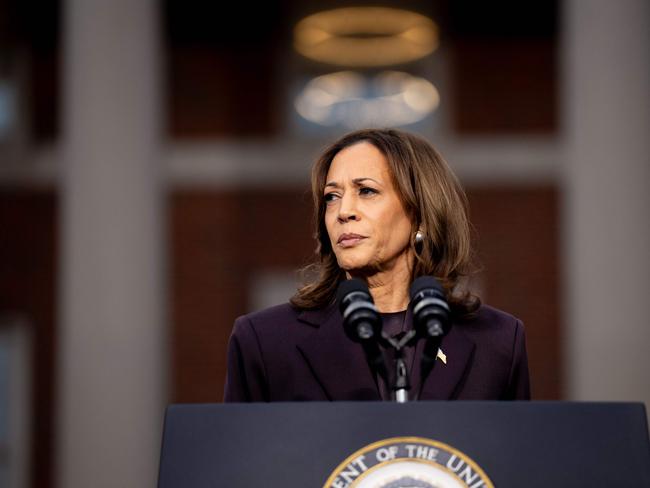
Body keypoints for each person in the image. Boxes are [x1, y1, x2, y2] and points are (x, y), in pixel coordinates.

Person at [224, 128, 530, 402]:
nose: (343, 212)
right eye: (331, 197)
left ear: (420, 212)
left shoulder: (498, 341)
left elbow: (514, 461)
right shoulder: (264, 341)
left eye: (366, 191)